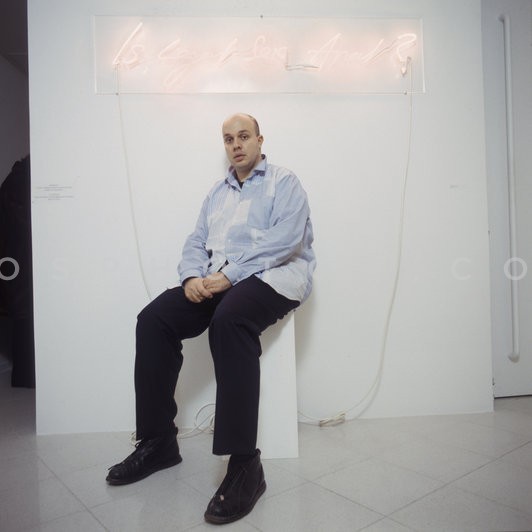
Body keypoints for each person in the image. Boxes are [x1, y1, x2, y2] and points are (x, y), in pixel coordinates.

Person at [106, 113, 316, 525]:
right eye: (228, 139)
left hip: (272, 277)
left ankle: (245, 466)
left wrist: (229, 275)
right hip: (217, 278)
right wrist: (191, 277)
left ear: (260, 140)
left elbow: (284, 241)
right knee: (153, 319)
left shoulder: (284, 182)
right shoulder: (217, 193)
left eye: (243, 136)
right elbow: (196, 241)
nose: (236, 145)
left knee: (229, 320)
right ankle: (158, 442)